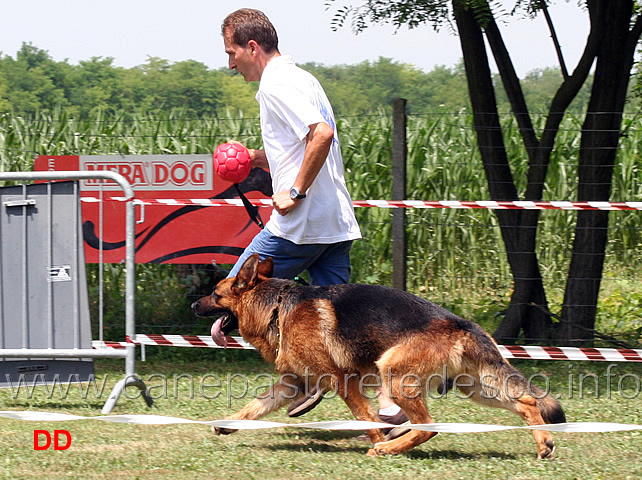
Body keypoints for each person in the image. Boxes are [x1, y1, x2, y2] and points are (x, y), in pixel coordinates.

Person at [221, 8, 408, 434]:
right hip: (335, 224)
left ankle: (305, 377)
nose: (230, 63)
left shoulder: (276, 84)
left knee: (228, 301)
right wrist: (253, 158)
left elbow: (320, 134)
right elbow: (297, 145)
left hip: (298, 225)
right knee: (344, 327)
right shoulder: (303, 77)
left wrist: (295, 191)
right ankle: (389, 404)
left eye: (232, 53)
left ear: (252, 47)